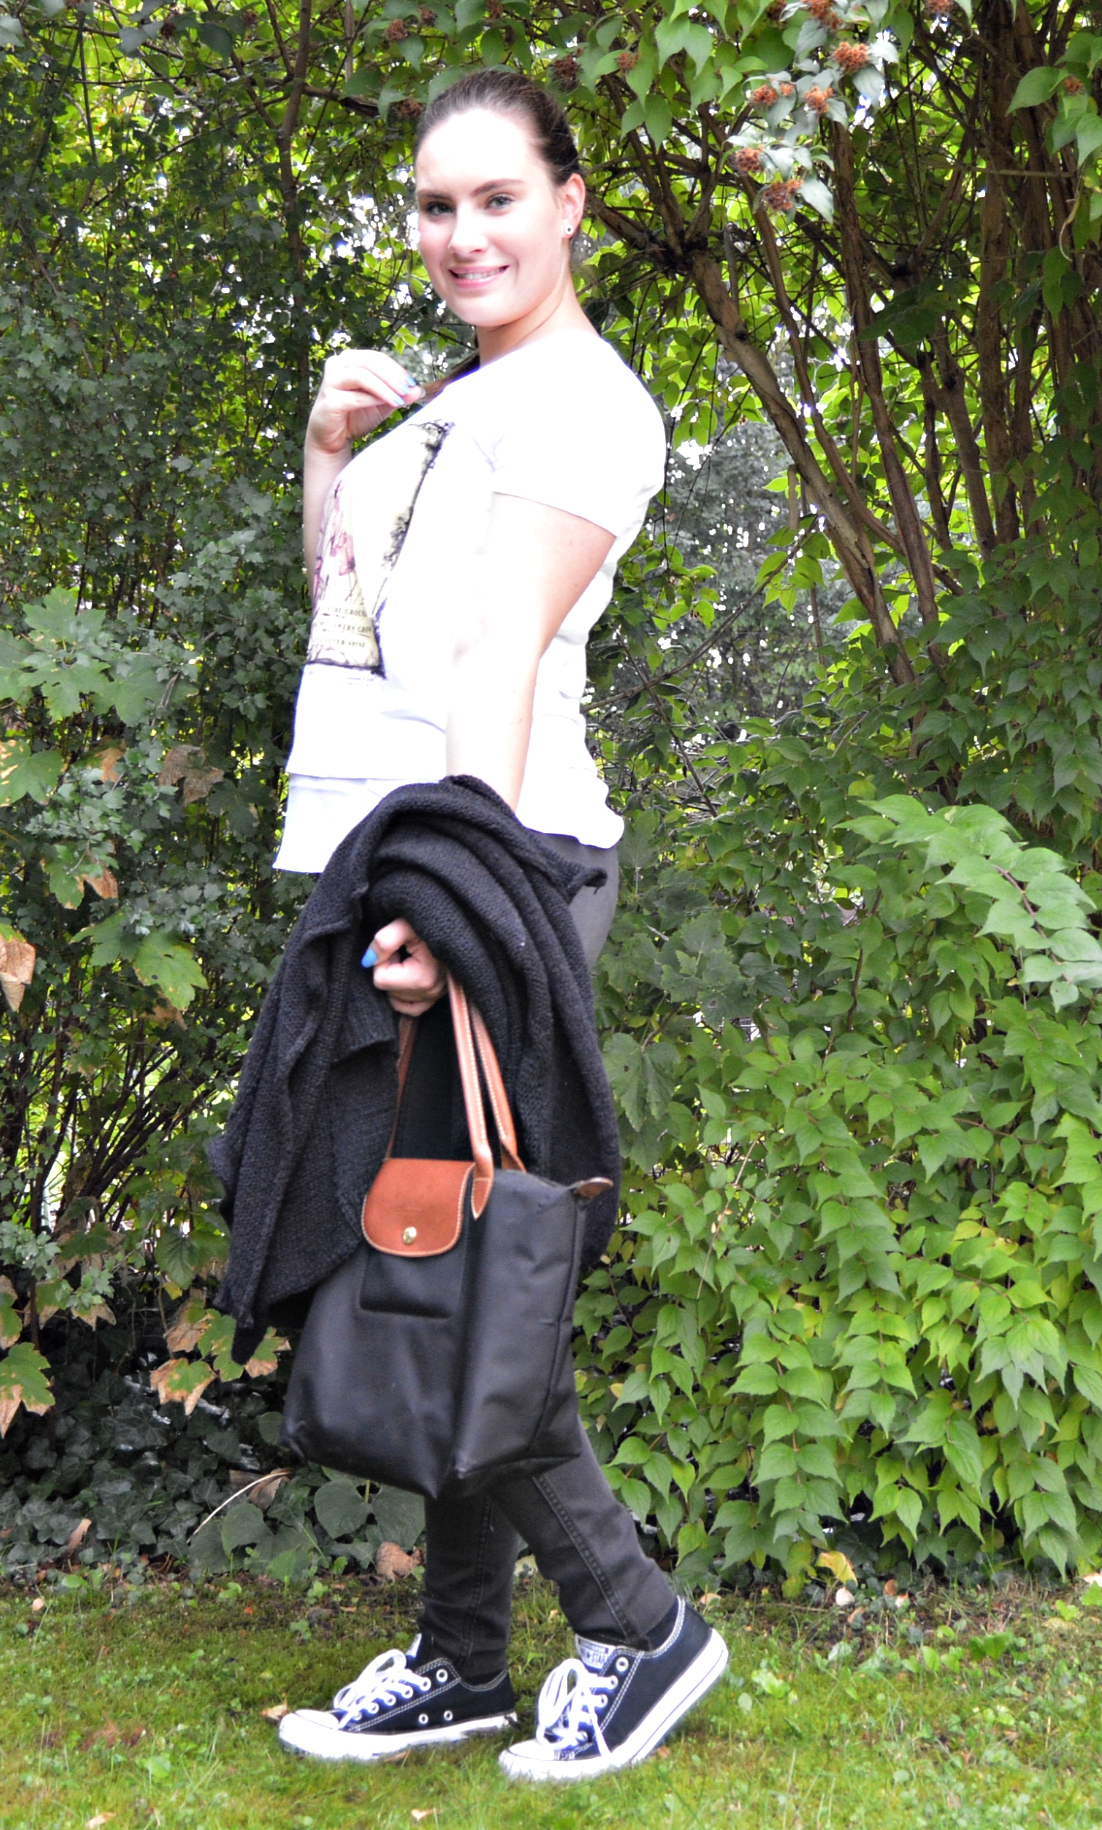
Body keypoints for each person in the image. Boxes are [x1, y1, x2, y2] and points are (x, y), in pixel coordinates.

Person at [264, 69, 727, 1782]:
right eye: (434, 205)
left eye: (496, 198)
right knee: (431, 1245)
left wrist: (456, 908)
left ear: (570, 203)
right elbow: (357, 616)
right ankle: (462, 1656)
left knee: (473, 1268)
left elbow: (503, 652)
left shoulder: (580, 406)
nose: (462, 234)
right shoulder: (459, 403)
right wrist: (329, 458)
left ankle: (637, 1623)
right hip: (406, 866)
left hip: (498, 871)